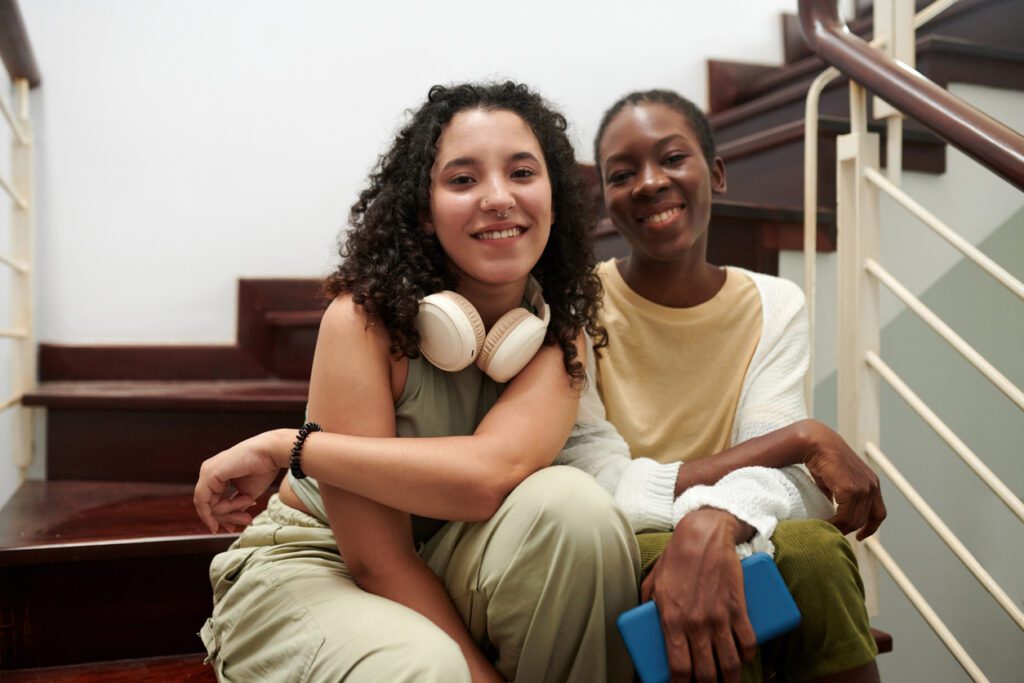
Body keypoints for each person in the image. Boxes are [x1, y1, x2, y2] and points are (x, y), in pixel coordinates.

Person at [193, 82, 640, 683]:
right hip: (321, 562)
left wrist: (286, 446)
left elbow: (489, 477)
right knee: (426, 667)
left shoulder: (557, 332)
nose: (499, 198)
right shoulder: (362, 321)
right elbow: (377, 560)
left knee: (577, 512)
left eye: (522, 173)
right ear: (425, 214)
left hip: (453, 553)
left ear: (554, 198)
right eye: (463, 180)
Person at [555, 89, 886, 683]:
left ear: (717, 173)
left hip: (732, 522)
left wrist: (716, 522)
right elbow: (597, 482)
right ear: (606, 201)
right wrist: (799, 440)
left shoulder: (775, 303)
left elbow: (793, 483)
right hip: (632, 540)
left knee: (815, 551)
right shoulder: (576, 305)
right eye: (622, 173)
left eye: (672, 158)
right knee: (719, 577)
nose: (650, 183)